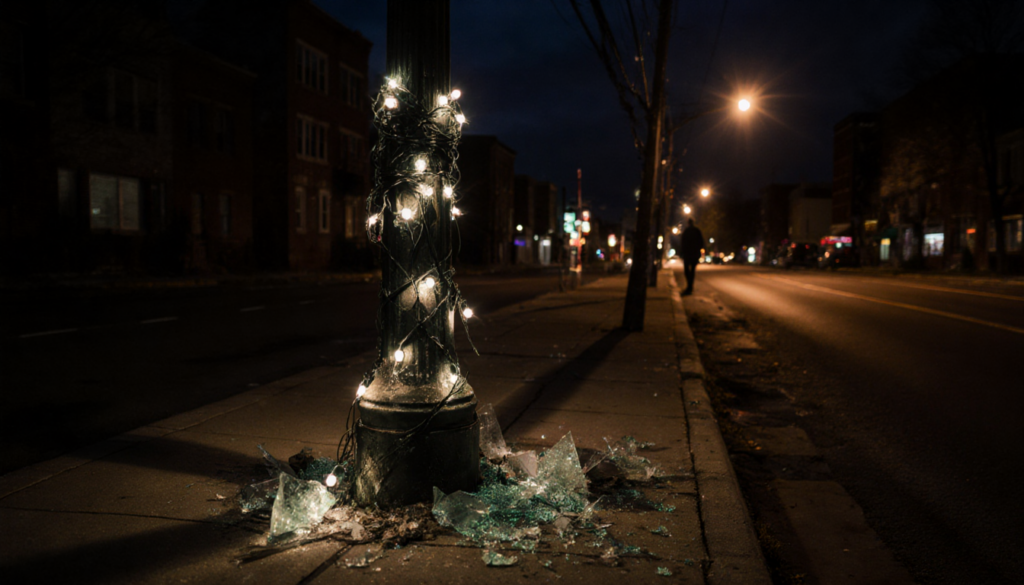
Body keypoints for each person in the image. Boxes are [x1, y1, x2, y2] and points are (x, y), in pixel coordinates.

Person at [680, 218, 705, 295]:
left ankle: (689, 286)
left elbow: (682, 242)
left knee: (687, 271)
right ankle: (690, 286)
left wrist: (682, 253)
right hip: (694, 254)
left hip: (688, 254)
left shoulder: (686, 231)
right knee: (692, 271)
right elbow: (701, 242)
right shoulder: (696, 231)